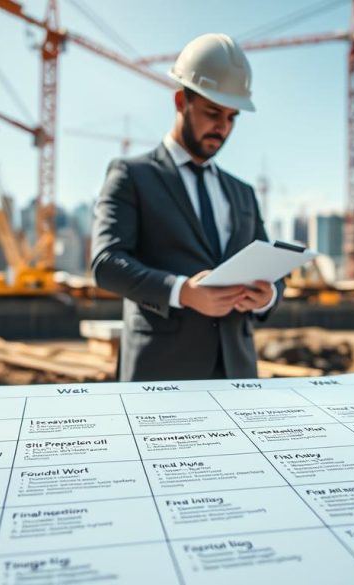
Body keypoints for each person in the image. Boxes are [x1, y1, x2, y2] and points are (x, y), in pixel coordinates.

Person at [90, 33, 283, 382]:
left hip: (237, 372)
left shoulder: (242, 193)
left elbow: (272, 271)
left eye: (231, 117)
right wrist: (183, 292)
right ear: (181, 101)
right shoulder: (131, 175)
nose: (222, 127)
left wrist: (266, 296)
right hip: (161, 374)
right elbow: (106, 264)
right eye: (212, 113)